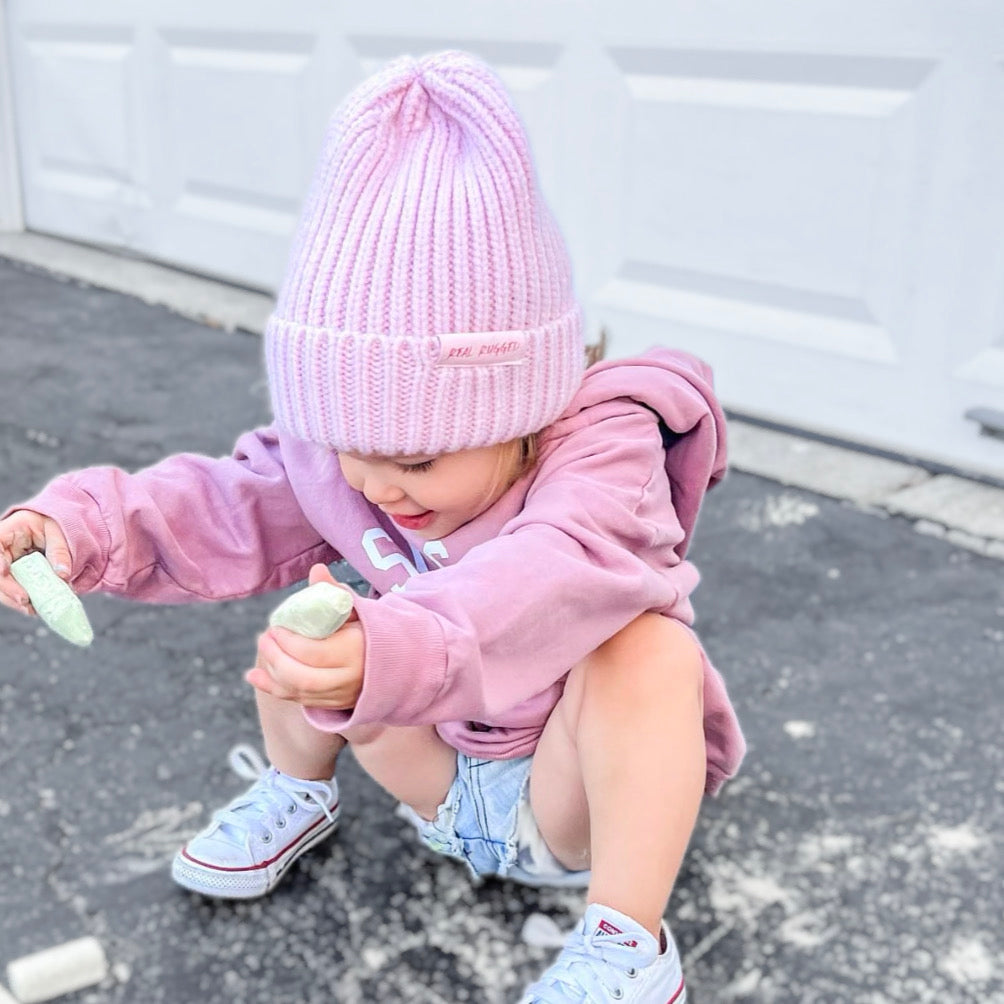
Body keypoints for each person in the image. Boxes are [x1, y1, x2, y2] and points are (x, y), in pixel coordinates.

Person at [0, 50, 744, 1003]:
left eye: (421, 459)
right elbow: (228, 500)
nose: (378, 485)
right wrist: (82, 528)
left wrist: (395, 646)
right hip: (434, 778)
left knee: (646, 651)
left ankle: (626, 942)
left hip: (574, 806)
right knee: (314, 616)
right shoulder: (352, 460)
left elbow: (559, 572)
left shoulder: (604, 451)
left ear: (525, 406)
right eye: (350, 445)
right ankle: (297, 791)